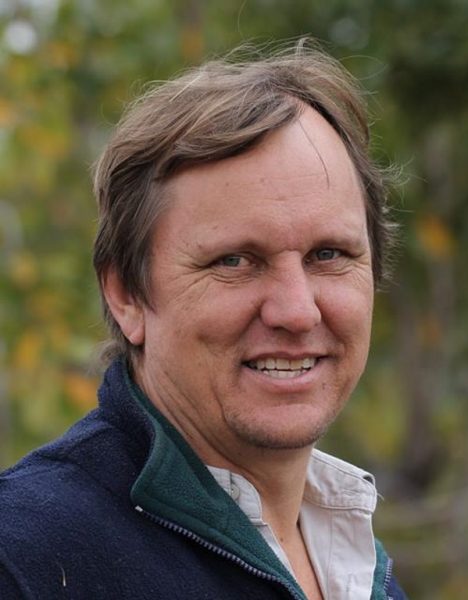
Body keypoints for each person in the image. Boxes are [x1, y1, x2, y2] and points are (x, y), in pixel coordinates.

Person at [0, 40, 407, 599]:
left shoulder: (357, 566)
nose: (296, 310)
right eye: (235, 261)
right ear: (126, 295)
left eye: (328, 255)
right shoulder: (26, 560)